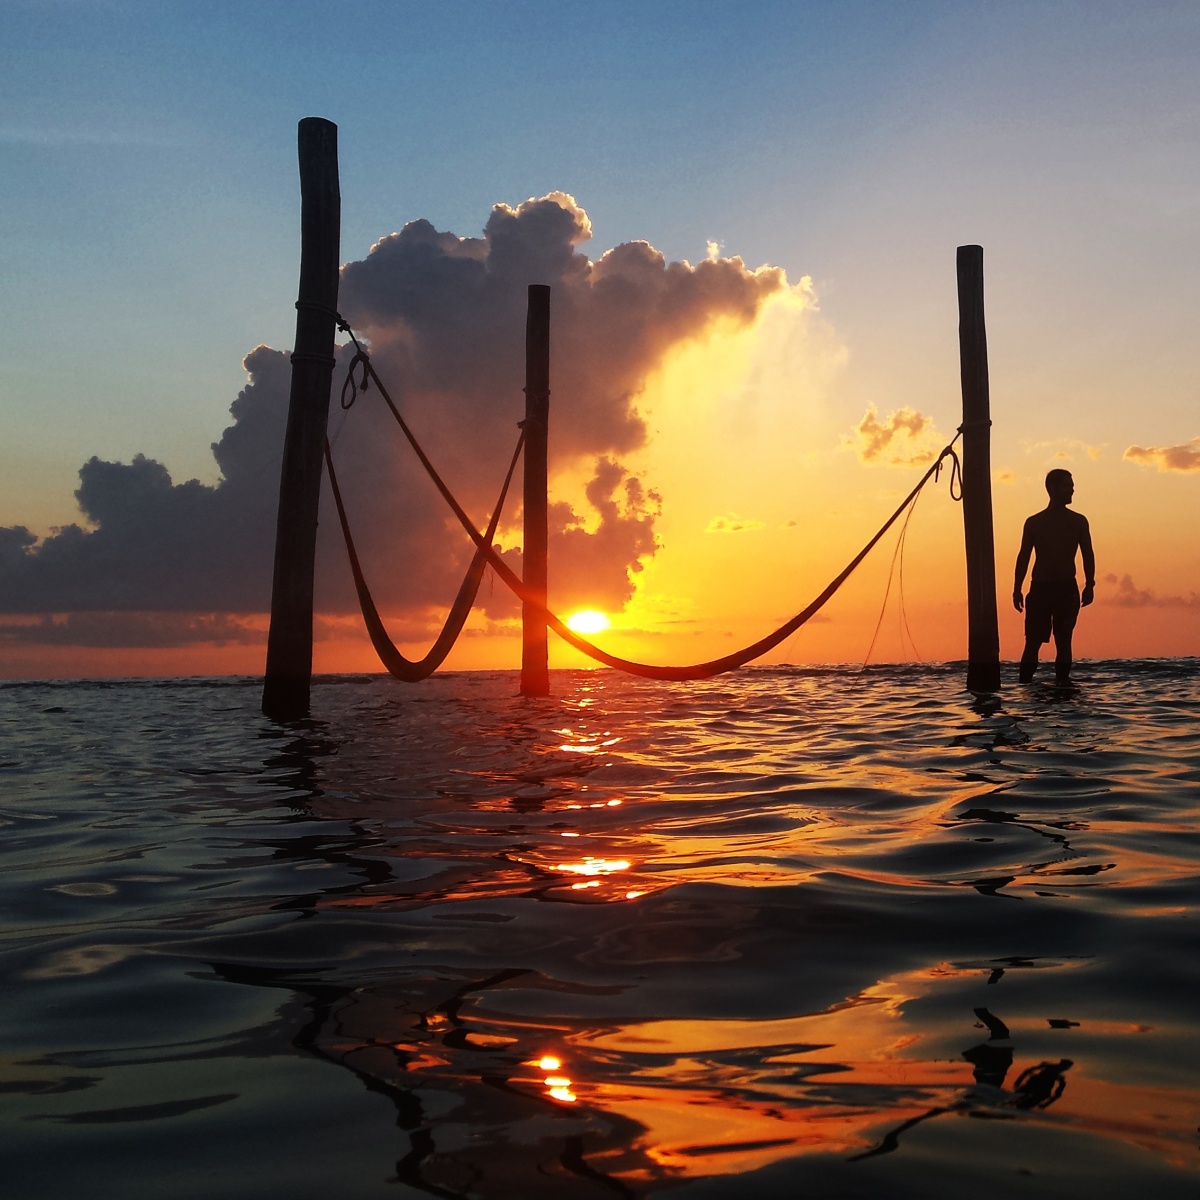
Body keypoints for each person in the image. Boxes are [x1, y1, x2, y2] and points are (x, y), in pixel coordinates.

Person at [1013, 469, 1095, 684]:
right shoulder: (1034, 522)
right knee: (1032, 642)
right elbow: (1023, 556)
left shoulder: (1079, 521)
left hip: (1067, 588)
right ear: (1052, 489)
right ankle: (1024, 687)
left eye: (1072, 484)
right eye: (1067, 485)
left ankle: (1062, 687)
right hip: (1040, 588)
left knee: (1064, 640)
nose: (1072, 489)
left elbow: (1088, 554)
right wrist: (1016, 588)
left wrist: (1090, 584)